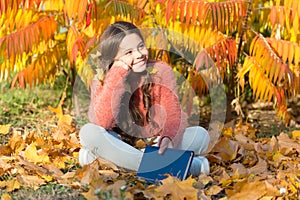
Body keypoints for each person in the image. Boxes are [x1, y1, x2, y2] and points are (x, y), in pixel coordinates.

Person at [78, 21, 210, 176]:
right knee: (88, 132)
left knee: (200, 136)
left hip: (156, 144)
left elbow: (174, 113)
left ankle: (119, 161)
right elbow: (103, 122)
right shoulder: (102, 79)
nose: (139, 54)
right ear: (113, 59)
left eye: (140, 46)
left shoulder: (160, 71)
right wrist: (117, 73)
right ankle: (189, 166)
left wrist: (169, 137)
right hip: (120, 143)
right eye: (128, 52)